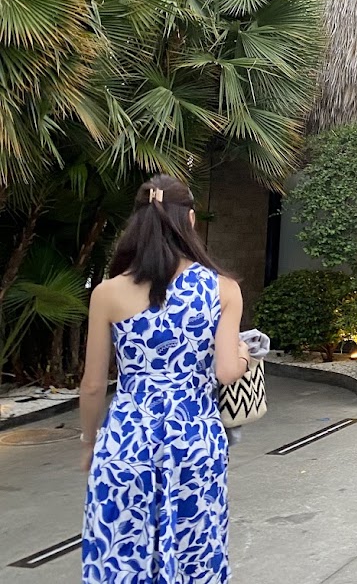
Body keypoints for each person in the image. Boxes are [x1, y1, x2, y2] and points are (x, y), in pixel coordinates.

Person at [78, 174, 248, 583]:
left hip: (127, 440)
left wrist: (89, 442)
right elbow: (226, 372)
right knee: (196, 553)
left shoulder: (107, 293)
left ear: (137, 223)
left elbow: (93, 385)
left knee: (121, 554)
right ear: (190, 220)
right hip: (195, 440)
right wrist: (244, 354)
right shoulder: (223, 289)